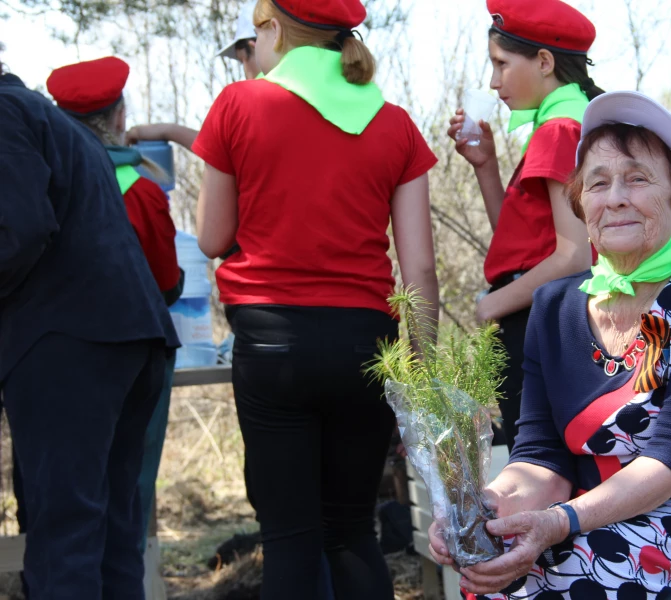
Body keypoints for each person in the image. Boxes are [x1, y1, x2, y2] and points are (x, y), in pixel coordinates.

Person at [428, 91, 671, 598]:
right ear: (580, 204)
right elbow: (541, 456)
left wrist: (559, 522)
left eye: (638, 178)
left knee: (567, 569)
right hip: (600, 513)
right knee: (499, 562)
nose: (616, 197)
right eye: (598, 183)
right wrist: (484, 510)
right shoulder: (554, 305)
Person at [191, 0, 440, 597]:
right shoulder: (395, 122)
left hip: (274, 347)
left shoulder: (238, 105)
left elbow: (211, 238)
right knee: (352, 530)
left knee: (289, 538)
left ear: (274, 29)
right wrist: (423, 372)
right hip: (366, 347)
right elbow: (420, 268)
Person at [0, 50, 180, 598]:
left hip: (70, 348)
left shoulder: (6, 115)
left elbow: (19, 231)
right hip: (132, 341)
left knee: (64, 537)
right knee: (110, 535)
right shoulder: (50, 122)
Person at [448, 0, 602, 452]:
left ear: (544, 61)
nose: (494, 82)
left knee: (537, 457)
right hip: (549, 314)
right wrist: (486, 167)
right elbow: (522, 244)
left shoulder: (558, 130)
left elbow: (575, 255)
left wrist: (492, 305)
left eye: (501, 64)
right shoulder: (570, 122)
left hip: (542, 319)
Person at [46, 55, 185, 554]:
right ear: (121, 117)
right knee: (128, 489)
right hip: (136, 352)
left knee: (68, 498)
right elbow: (167, 284)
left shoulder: (46, 182)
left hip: (57, 354)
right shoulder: (142, 190)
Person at [125, 0, 259, 149]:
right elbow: (220, 148)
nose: (246, 72)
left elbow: (217, 150)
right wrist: (169, 130)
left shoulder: (249, 101)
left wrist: (168, 131)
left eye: (243, 60)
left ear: (257, 46)